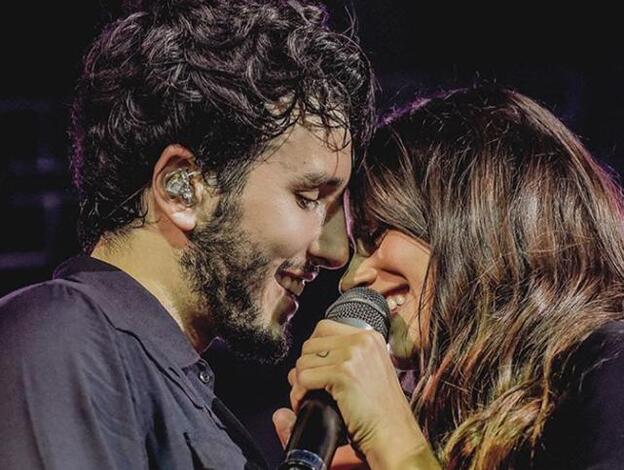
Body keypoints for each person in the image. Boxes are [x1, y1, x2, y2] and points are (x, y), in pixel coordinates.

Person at [0, 0, 375, 468]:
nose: (336, 251)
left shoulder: (201, 407)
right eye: (309, 196)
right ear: (183, 188)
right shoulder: (61, 335)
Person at [274, 86, 624, 469]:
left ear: (478, 224)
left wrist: (394, 443)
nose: (352, 278)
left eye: (373, 237)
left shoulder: (609, 367)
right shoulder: (454, 424)